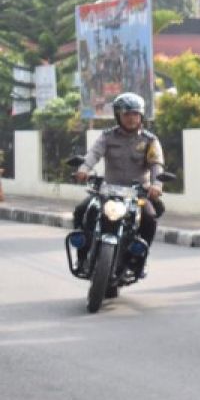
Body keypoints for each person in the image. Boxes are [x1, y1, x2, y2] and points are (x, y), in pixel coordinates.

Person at [71, 92, 164, 276]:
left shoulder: (149, 140)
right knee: (82, 210)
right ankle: (82, 255)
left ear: (141, 116)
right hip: (108, 192)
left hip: (138, 195)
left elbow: (156, 165)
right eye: (127, 114)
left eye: (135, 114)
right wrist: (83, 169)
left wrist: (156, 185)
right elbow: (93, 154)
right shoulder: (107, 137)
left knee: (150, 218)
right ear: (118, 116)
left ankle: (138, 260)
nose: (131, 118)